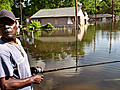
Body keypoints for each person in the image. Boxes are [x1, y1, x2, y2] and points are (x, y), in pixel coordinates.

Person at [0, 10, 44, 90]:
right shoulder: (2, 50)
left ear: (17, 25)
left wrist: (29, 70)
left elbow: (15, 68)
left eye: (9, 23)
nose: (6, 27)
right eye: (1, 24)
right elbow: (5, 85)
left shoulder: (17, 42)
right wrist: (32, 79)